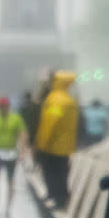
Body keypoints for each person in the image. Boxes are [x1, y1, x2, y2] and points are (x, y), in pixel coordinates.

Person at [35, 71, 79, 209]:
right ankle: (60, 197)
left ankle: (56, 198)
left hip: (51, 145)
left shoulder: (55, 100)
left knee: (51, 172)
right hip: (65, 145)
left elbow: (50, 123)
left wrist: (42, 143)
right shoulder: (69, 100)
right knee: (62, 172)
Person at [0, 97, 27, 218]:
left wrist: (22, 151)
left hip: (11, 153)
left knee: (10, 182)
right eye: (1, 106)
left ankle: (8, 208)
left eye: (5, 106)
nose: (3, 108)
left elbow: (22, 134)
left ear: (8, 106)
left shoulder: (16, 118)